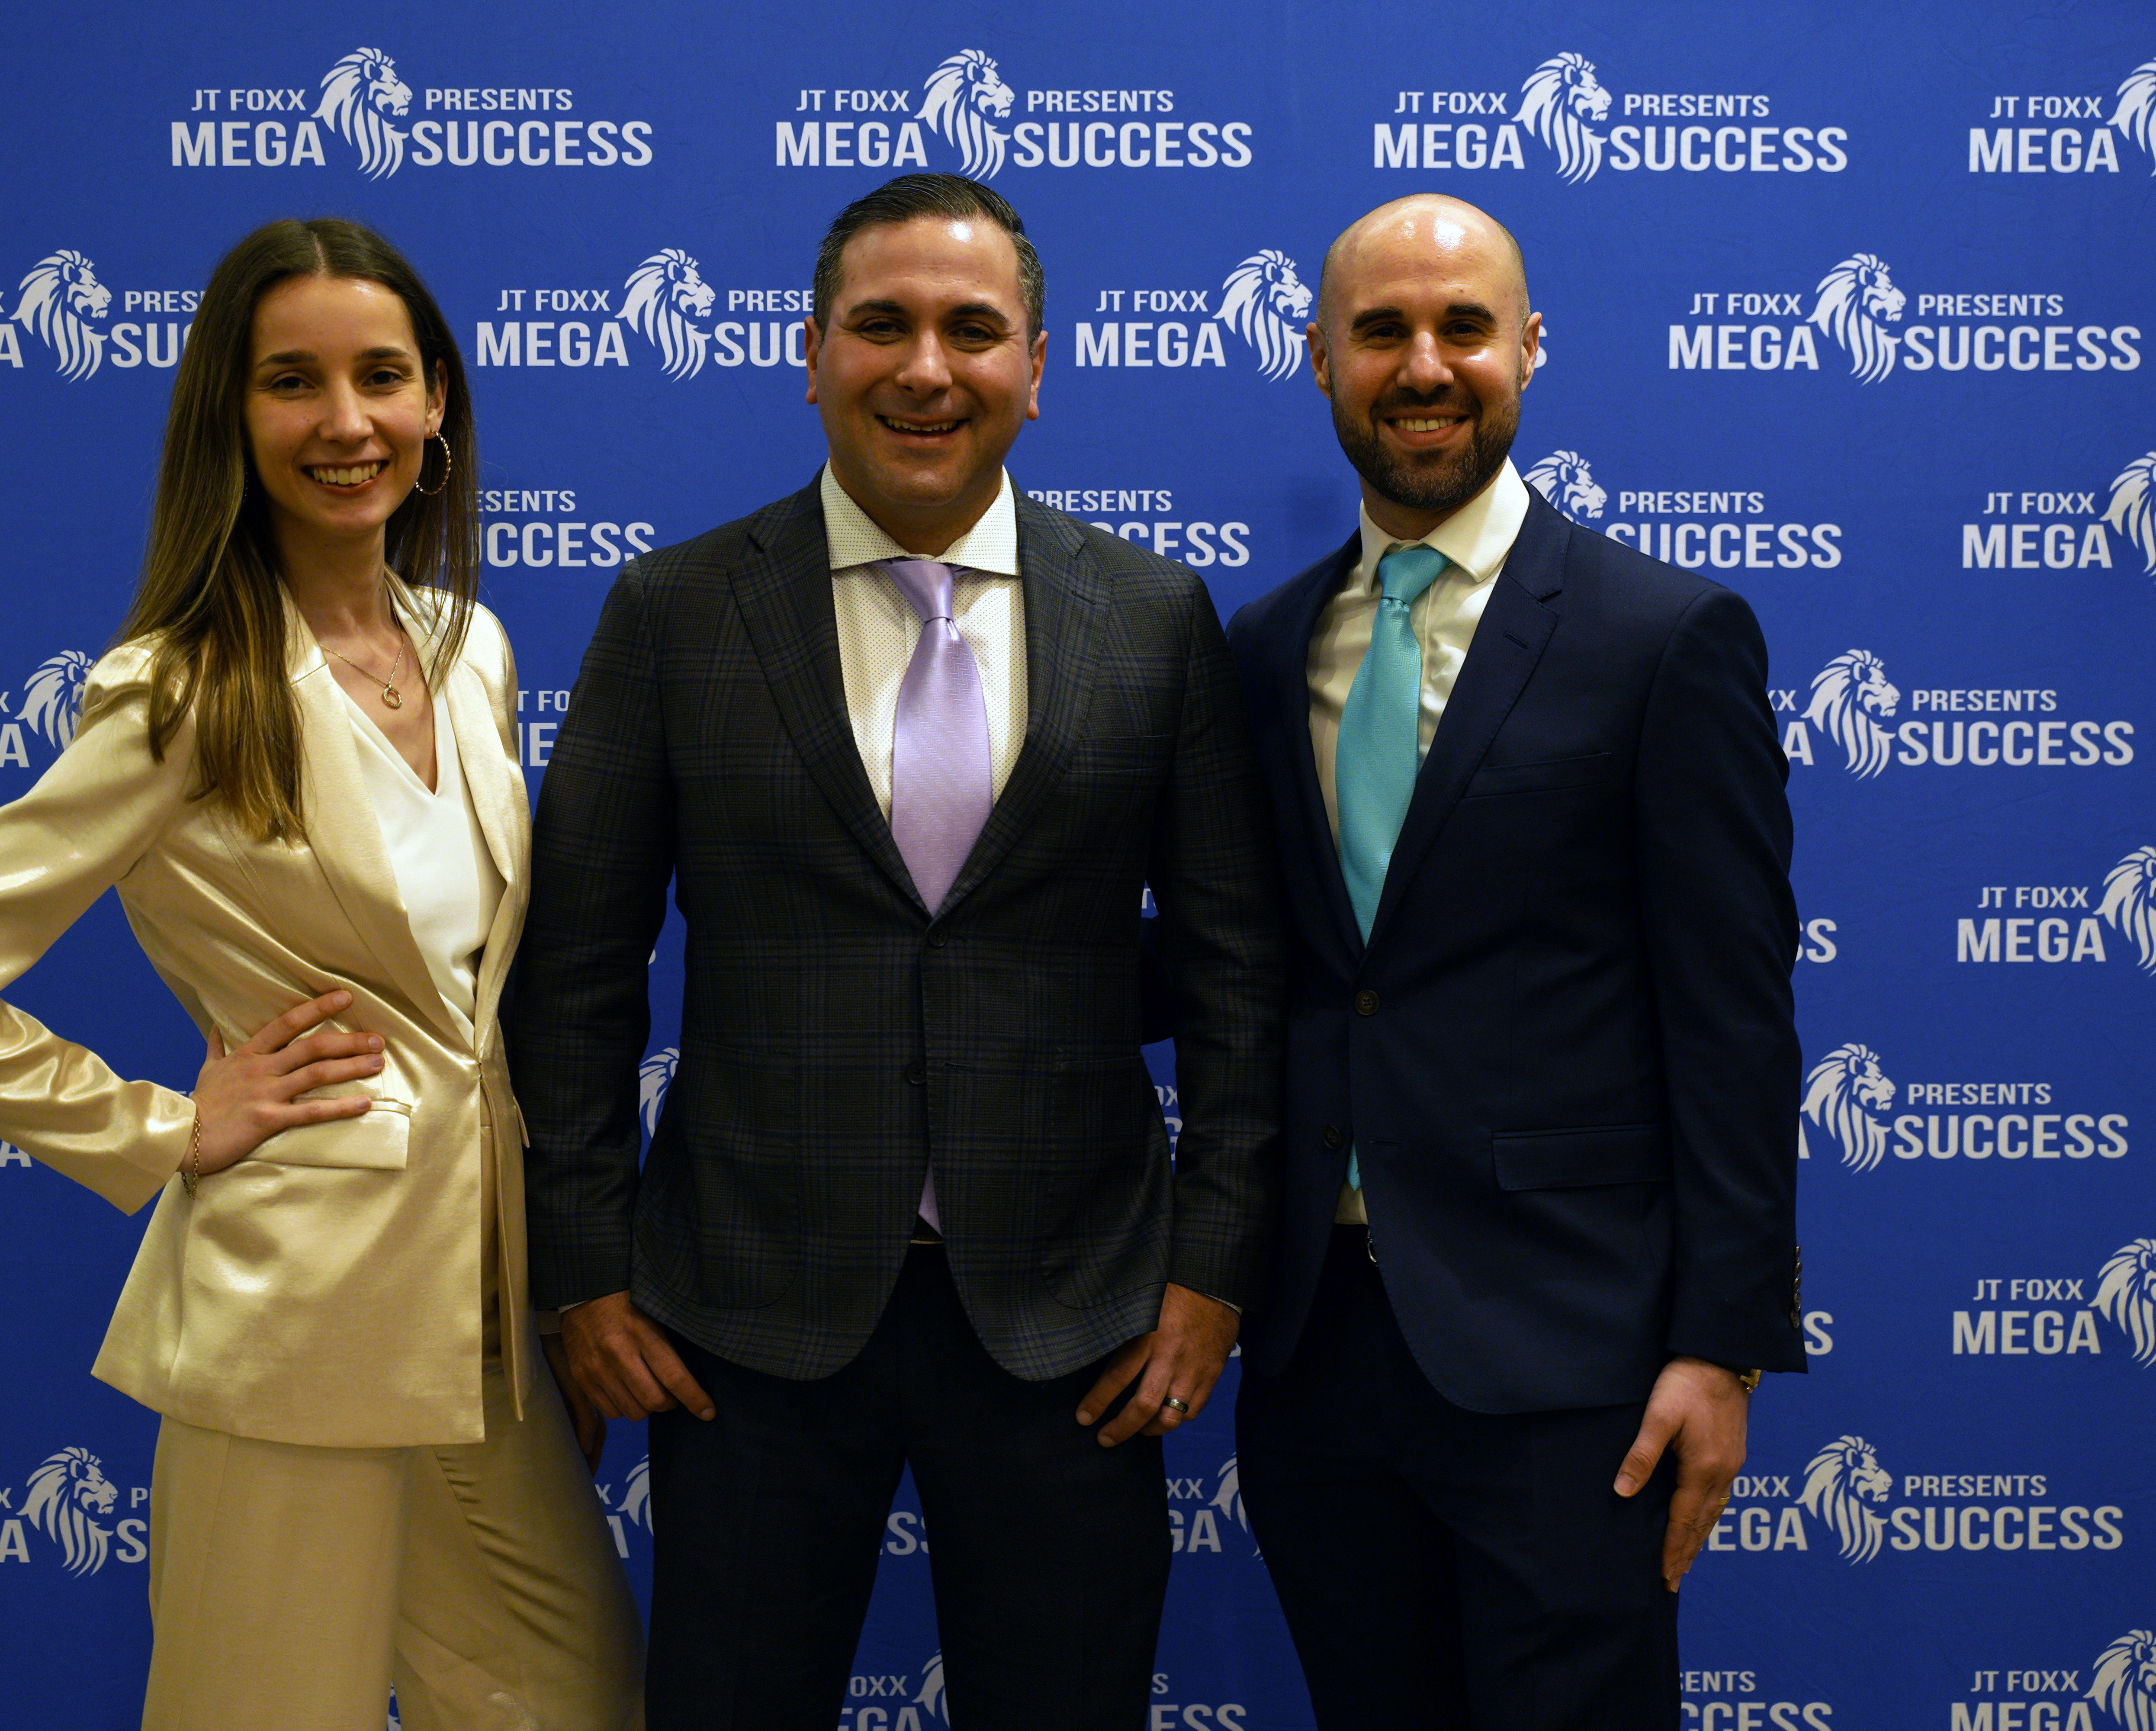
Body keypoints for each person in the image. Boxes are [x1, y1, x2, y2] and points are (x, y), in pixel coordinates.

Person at [0, 217, 642, 1731]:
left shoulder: (468, 651)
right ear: (232, 413)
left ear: (438, 403)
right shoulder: (180, 691)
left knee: (570, 1696)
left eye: (381, 376)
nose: (346, 422)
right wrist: (163, 1127)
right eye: (293, 382)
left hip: (479, 1325)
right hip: (295, 1314)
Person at [501, 172, 1285, 1731]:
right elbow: (575, 974)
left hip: (1077, 1321)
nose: (927, 369)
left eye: (972, 331)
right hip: (742, 1319)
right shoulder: (674, 613)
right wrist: (583, 1272)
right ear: (811, 355)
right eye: (882, 326)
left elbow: (1237, 978)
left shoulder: (1151, 617)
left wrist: (1213, 1272)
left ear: (1037, 369)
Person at [1224, 192, 1808, 1729]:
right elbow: (1266, 967)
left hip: (1574, 1364)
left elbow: (1735, 1020)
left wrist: (1722, 1348)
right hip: (1317, 1358)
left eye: (1464, 328)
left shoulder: (1666, 635)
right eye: (1381, 332)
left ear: (1530, 349)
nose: (1425, 366)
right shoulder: (1263, 649)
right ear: (1320, 359)